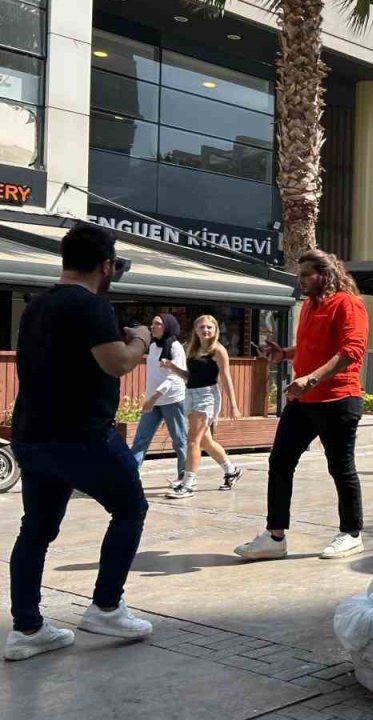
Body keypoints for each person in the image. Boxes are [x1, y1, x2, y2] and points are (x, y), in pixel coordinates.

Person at [6, 224, 154, 661]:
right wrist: (142, 336)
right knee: (130, 508)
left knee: (36, 529)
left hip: (32, 434)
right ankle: (106, 607)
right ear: (106, 266)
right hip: (82, 436)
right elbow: (117, 363)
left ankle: (27, 629)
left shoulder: (38, 305)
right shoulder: (89, 306)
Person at [234, 249, 369, 562]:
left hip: (338, 399)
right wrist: (285, 353)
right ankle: (275, 536)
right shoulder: (310, 305)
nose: (301, 280)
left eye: (307, 274)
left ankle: (351, 533)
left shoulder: (348, 304)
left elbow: (351, 351)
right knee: (280, 462)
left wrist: (310, 379)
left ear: (326, 274)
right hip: (305, 401)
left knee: (341, 467)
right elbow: (314, 347)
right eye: (299, 274)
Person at [168, 315, 242, 499]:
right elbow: (189, 377)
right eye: (202, 327)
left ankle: (188, 483)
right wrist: (172, 367)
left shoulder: (218, 350)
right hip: (190, 394)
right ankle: (231, 471)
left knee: (192, 440)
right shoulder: (192, 350)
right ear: (196, 330)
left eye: (209, 327)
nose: (206, 330)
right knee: (205, 442)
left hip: (207, 396)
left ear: (216, 330)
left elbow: (225, 377)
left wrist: (233, 404)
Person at [130, 313, 188, 489]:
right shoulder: (154, 346)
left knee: (179, 439)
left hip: (171, 400)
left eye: (157, 324)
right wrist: (150, 397)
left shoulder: (176, 348)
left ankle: (184, 476)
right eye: (152, 323)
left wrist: (153, 397)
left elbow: (174, 378)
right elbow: (154, 375)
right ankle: (129, 475)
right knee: (141, 439)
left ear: (167, 327)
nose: (152, 327)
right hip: (153, 400)